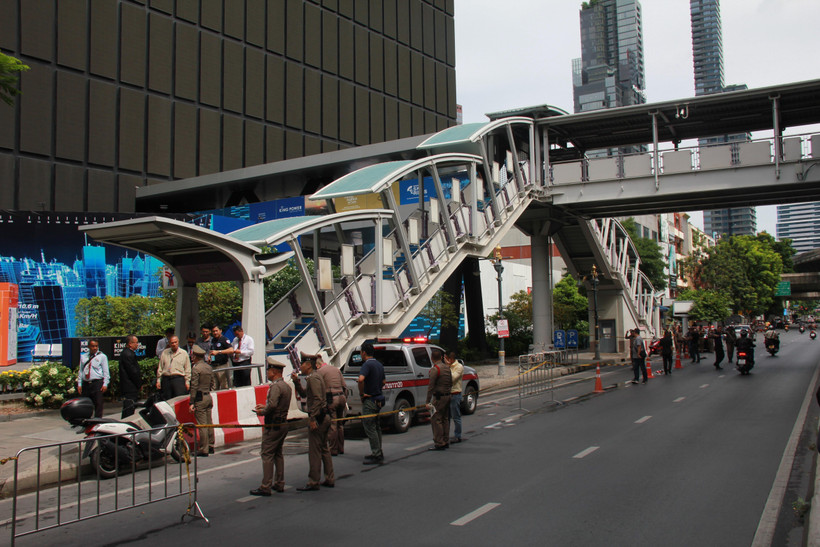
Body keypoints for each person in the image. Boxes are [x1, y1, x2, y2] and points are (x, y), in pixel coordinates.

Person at [291, 356, 334, 491]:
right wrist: (297, 382)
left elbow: (317, 399)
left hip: (319, 418)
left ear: (308, 365)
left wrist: (313, 418)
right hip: (323, 416)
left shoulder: (314, 378)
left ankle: (313, 481)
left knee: (315, 451)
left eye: (302, 364)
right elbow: (305, 394)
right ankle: (329, 478)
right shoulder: (313, 378)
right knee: (324, 449)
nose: (301, 366)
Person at [250, 358, 292, 496]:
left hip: (273, 424)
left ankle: (265, 485)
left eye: (269, 370)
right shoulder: (286, 386)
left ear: (274, 371)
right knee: (278, 454)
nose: (267, 373)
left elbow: (273, 405)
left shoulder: (275, 386)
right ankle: (279, 482)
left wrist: (263, 411)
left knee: (267, 454)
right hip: (283, 423)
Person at [309, 351, 346, 456]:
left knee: (333, 424)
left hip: (331, 398)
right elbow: (344, 385)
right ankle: (341, 447)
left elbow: (318, 390)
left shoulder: (320, 372)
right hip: (341, 397)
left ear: (317, 365)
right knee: (340, 424)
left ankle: (333, 449)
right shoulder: (336, 369)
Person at [357, 342, 385, 464]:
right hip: (379, 398)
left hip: (370, 399)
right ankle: (379, 450)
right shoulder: (379, 364)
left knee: (370, 427)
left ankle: (376, 453)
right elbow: (383, 381)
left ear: (364, 353)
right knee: (377, 427)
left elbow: (360, 379)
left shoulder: (367, 365)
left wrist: (362, 394)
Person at [188, 345, 215, 457]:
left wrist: (191, 402)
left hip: (200, 398)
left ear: (195, 356)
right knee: (209, 422)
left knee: (202, 424)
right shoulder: (208, 367)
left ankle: (203, 448)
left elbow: (194, 386)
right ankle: (211, 446)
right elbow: (213, 383)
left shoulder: (196, 368)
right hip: (208, 396)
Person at [426, 348, 452, 450]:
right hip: (448, 395)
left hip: (439, 397)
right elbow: (451, 381)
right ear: (441, 357)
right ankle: (446, 440)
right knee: (445, 419)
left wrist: (427, 401)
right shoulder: (447, 368)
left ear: (432, 358)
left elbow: (431, 386)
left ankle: (439, 442)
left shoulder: (435, 369)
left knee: (436, 419)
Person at [77, 340, 110, 418]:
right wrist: (79, 384)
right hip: (86, 383)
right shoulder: (83, 356)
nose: (95, 348)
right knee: (85, 404)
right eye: (93, 346)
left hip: (97, 383)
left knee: (98, 404)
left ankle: (97, 421)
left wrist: (105, 383)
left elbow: (106, 372)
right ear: (89, 347)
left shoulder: (102, 356)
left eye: (96, 346)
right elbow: (81, 370)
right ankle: (85, 422)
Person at [119, 334, 142, 418]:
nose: (137, 344)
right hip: (130, 386)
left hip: (129, 386)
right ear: (130, 344)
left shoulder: (128, 353)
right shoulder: (128, 354)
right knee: (129, 408)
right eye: (135, 343)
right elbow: (133, 372)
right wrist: (139, 384)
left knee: (129, 408)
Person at [446, 350, 464, 443]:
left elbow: (452, 378)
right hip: (447, 394)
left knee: (456, 416)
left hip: (455, 394)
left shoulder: (459, 367)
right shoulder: (448, 366)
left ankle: (458, 435)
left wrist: (448, 367)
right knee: (446, 417)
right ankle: (446, 435)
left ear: (451, 359)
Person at [208, 325, 232, 390]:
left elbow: (231, 350)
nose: (215, 333)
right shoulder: (213, 340)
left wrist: (219, 352)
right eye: (213, 331)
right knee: (214, 386)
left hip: (222, 365)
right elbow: (212, 352)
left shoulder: (224, 340)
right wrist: (210, 357)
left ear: (220, 331)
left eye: (216, 331)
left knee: (224, 385)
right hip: (214, 365)